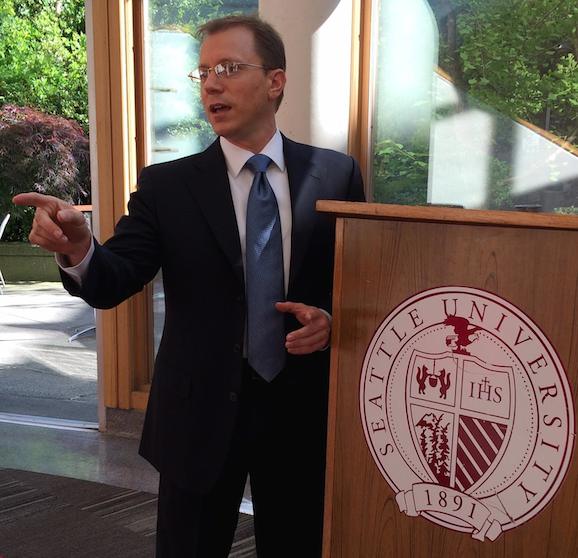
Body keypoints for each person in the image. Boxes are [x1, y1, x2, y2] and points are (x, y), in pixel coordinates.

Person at [13, 15, 365, 558]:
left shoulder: (337, 174)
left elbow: (360, 282)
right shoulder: (167, 186)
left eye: (229, 68)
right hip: (197, 416)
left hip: (299, 414)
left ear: (275, 81)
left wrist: (332, 319)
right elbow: (113, 279)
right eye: (203, 73)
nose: (212, 84)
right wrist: (79, 249)